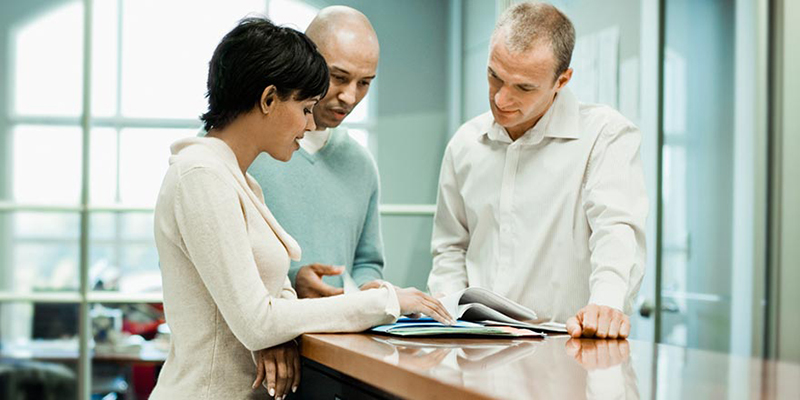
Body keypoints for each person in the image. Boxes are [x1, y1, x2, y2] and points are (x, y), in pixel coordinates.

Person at [152, 17, 453, 400]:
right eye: (306, 107)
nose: (311, 123)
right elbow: (258, 322)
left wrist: (293, 309)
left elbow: (271, 300)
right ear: (268, 100)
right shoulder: (203, 177)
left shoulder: (241, 179)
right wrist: (386, 301)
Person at [427, 2, 647, 339]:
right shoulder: (465, 143)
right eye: (494, 76)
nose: (501, 99)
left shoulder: (605, 135)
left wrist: (606, 303)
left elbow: (616, 229)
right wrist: (447, 313)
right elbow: (451, 246)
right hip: (475, 345)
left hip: (566, 344)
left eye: (524, 87)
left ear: (562, 80)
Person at [248, 6, 385, 299]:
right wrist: (292, 282)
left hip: (335, 339)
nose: (350, 96)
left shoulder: (361, 164)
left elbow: (367, 262)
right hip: (260, 338)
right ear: (307, 61)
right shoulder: (241, 146)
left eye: (364, 83)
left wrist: (369, 291)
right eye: (338, 77)